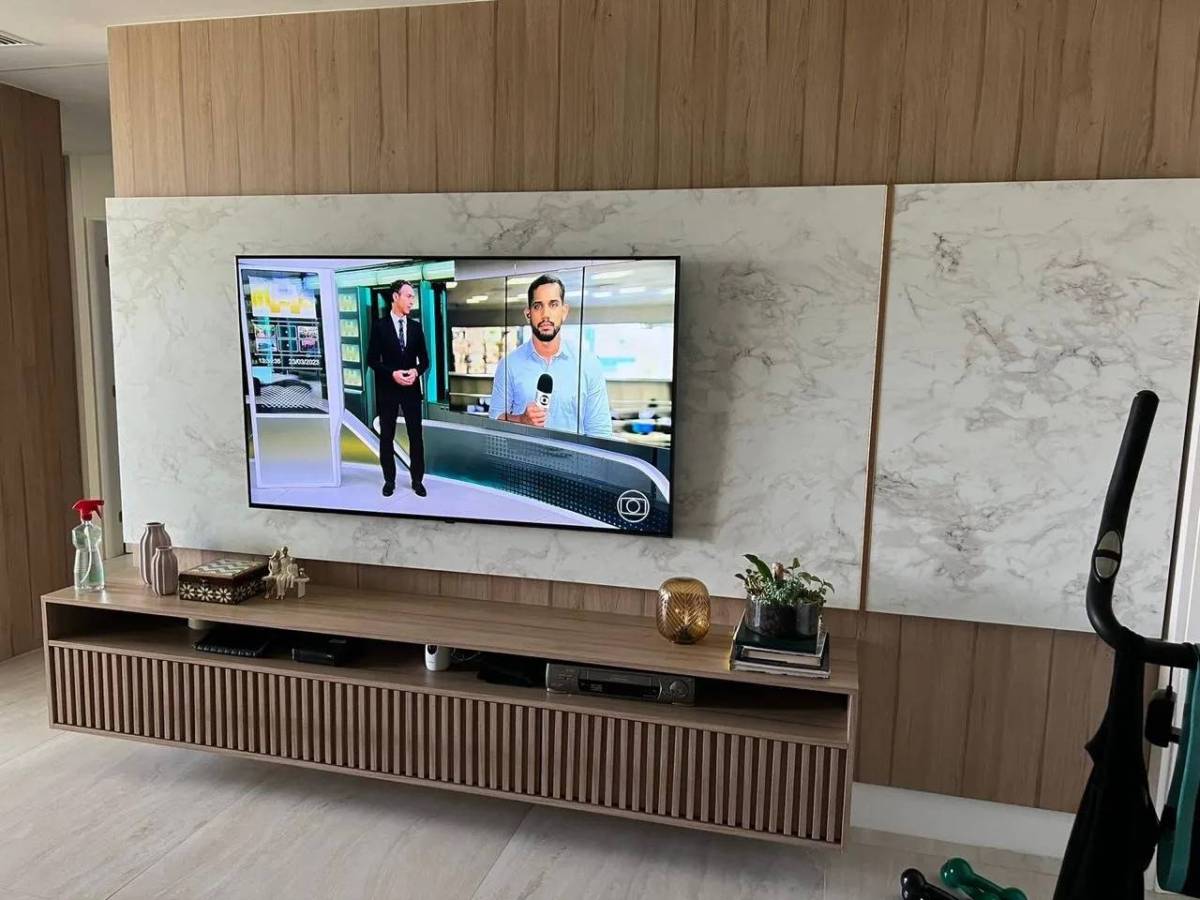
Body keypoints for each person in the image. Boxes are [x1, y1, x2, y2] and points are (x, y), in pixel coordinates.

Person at [489, 274, 613, 437]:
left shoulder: (589, 364)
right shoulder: (509, 365)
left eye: (553, 305)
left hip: (571, 454)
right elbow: (494, 420)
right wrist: (521, 420)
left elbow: (600, 432)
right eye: (538, 306)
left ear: (564, 311)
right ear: (528, 314)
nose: (545, 314)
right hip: (524, 454)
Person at [367, 279, 429, 497]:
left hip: (411, 390)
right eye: (409, 296)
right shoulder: (379, 326)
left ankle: (417, 481)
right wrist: (392, 373)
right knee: (387, 437)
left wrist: (416, 371)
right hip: (388, 391)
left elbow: (425, 361)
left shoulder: (416, 328)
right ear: (395, 297)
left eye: (413, 297)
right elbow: (372, 360)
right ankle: (389, 480)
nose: (412, 301)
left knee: (416, 437)